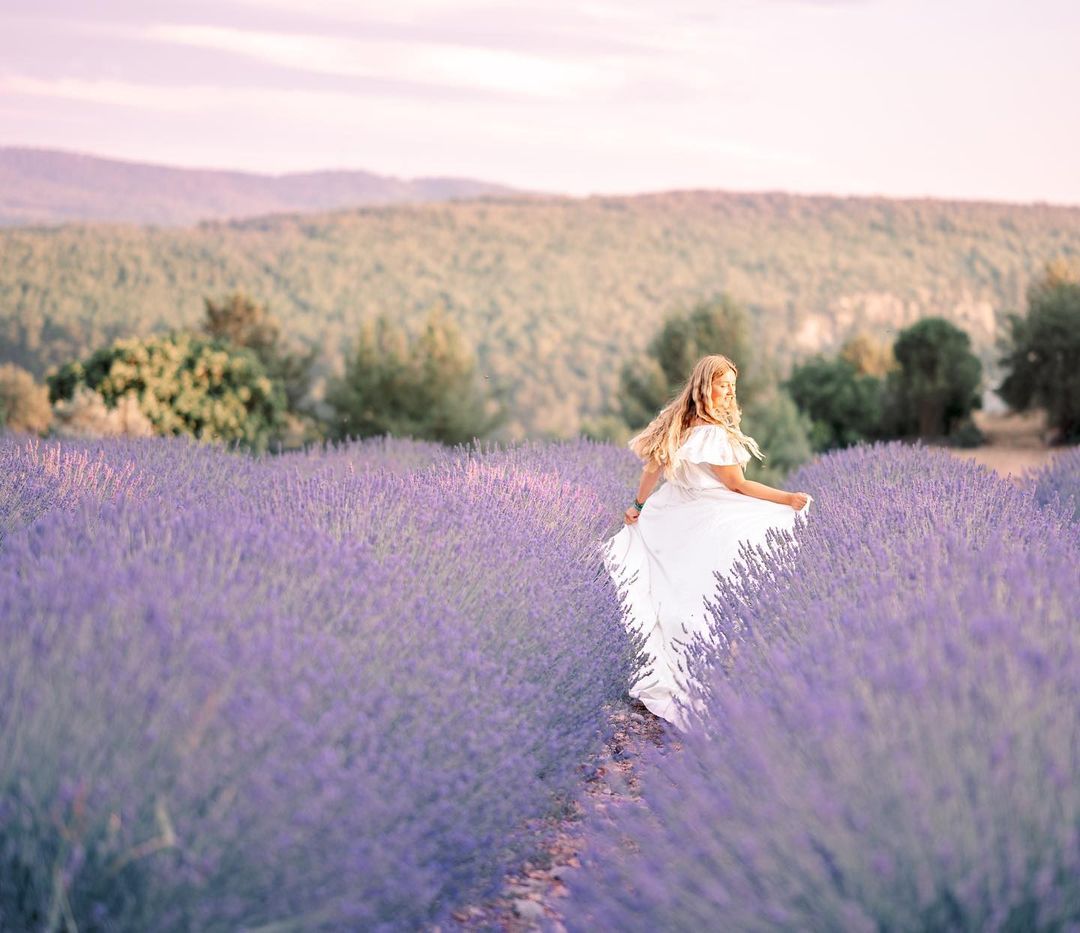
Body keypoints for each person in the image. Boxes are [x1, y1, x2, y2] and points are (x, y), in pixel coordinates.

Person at [601, 354, 813, 731]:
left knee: (672, 592)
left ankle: (676, 668)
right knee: (699, 594)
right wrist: (788, 498)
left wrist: (638, 506)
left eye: (732, 385)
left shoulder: (677, 423)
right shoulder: (713, 433)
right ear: (705, 386)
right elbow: (737, 485)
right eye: (723, 385)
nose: (730, 392)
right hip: (705, 517)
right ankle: (708, 675)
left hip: (670, 514)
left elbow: (652, 470)